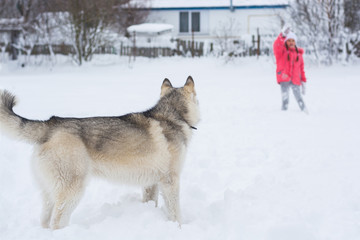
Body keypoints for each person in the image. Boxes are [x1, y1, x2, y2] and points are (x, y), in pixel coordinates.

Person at [273, 25, 308, 113]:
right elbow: (277, 45)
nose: (291, 42)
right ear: (285, 42)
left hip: (295, 79)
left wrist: (303, 81)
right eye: (289, 40)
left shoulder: (299, 55)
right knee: (285, 98)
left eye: (293, 40)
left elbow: (301, 69)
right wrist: (282, 35)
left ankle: (304, 111)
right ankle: (284, 113)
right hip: (284, 78)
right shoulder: (281, 53)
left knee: (299, 97)